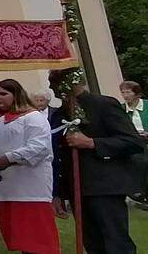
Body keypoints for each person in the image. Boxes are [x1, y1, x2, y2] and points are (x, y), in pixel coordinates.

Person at [50, 69, 144, 254]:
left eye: (56, 81)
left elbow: (132, 141)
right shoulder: (58, 115)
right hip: (77, 188)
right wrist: (58, 192)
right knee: (93, 244)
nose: (52, 87)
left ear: (73, 82)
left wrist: (92, 142)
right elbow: (58, 157)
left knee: (116, 243)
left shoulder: (103, 105)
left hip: (105, 187)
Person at [0, 78, 57, 254]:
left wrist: (8, 158)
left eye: (3, 94)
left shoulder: (32, 117)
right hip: (4, 188)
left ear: (16, 94)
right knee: (19, 238)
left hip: (29, 188)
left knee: (37, 239)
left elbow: (39, 147)